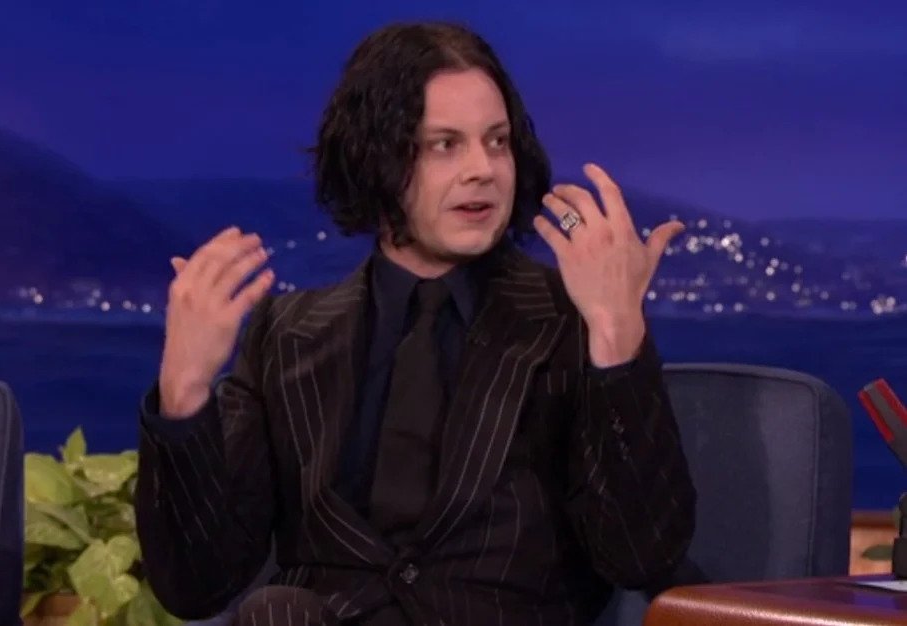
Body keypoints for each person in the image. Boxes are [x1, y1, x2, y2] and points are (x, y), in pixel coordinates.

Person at [135, 20, 696, 626]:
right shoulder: (285, 335)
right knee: (278, 613)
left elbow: (641, 557)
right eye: (444, 145)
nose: (482, 169)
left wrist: (616, 335)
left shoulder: (572, 319)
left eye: (498, 142)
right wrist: (184, 391)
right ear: (375, 157)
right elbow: (196, 587)